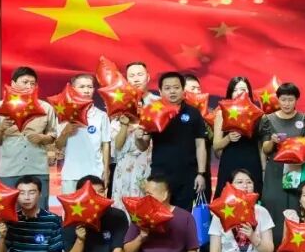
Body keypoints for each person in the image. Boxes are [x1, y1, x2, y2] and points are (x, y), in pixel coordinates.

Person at [0, 66, 58, 207]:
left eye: (32, 83)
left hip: (38, 169)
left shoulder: (45, 108)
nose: (29, 86)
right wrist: (1, 128)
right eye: (25, 82)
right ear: (13, 84)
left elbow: (53, 134)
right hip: (11, 170)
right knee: (11, 211)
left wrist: (42, 138)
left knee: (40, 211)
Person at [259, 82, 305, 247]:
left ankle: (296, 248)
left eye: (290, 100)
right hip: (275, 170)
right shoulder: (268, 119)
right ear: (278, 99)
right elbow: (265, 149)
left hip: (297, 169)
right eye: (283, 99)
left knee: (296, 206)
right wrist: (272, 141)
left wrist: (300, 155)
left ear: (296, 100)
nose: (287, 103)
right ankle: (273, 249)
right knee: (273, 204)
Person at [141, 71, 207, 212]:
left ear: (183, 90)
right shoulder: (152, 112)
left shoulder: (193, 113)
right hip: (160, 175)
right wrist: (139, 137)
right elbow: (142, 146)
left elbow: (200, 145)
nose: (172, 91)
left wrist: (201, 174)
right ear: (160, 91)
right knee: (158, 214)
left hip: (187, 175)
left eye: (176, 87)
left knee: (182, 215)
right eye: (167, 88)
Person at [54, 73, 111, 195]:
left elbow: (106, 144)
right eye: (82, 87)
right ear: (73, 89)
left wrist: (106, 170)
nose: (86, 90)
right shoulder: (64, 114)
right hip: (71, 174)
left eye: (90, 87)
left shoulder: (101, 115)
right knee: (70, 207)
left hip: (95, 174)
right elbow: (58, 145)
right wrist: (65, 131)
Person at [110, 61, 155, 210]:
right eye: (132, 76)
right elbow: (116, 146)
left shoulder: (158, 103)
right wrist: (125, 124)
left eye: (140, 74)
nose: (136, 79)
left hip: (150, 165)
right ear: (126, 79)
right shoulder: (119, 105)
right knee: (123, 211)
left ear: (148, 77)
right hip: (124, 168)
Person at [213, 76, 263, 197]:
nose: (239, 93)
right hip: (230, 161)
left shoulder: (258, 114)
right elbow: (216, 146)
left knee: (252, 198)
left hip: (252, 162)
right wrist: (228, 138)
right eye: (235, 90)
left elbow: (260, 146)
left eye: (243, 89)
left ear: (249, 93)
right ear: (230, 93)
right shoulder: (221, 113)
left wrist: (264, 169)